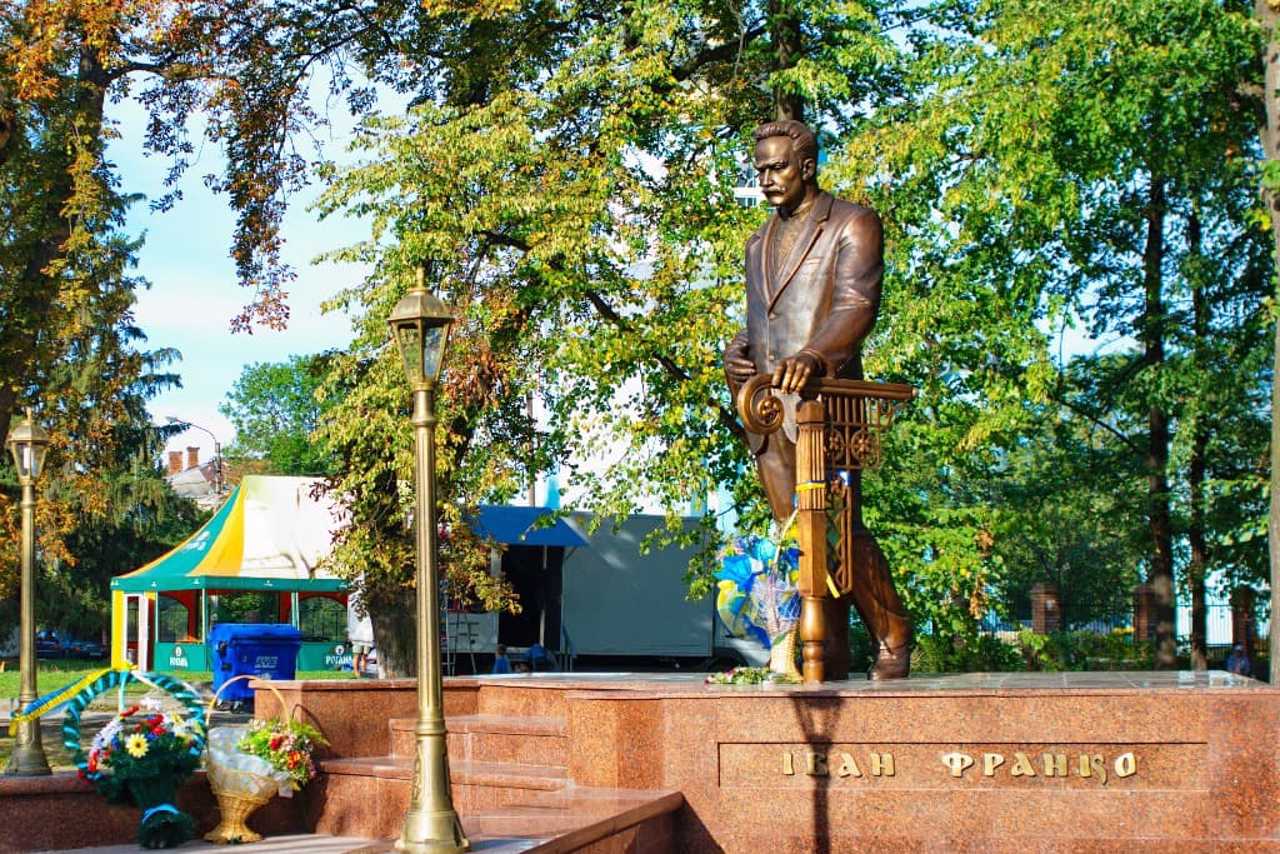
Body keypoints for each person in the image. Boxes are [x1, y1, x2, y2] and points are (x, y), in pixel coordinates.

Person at [723, 119, 912, 680]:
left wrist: (816, 357)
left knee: (836, 527)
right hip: (765, 408)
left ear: (807, 167)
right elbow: (763, 320)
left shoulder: (852, 223)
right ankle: (824, 647)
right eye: (759, 169)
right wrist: (738, 351)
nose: (766, 178)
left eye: (776, 166)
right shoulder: (759, 242)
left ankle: (893, 629)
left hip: (824, 405)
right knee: (795, 539)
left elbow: (855, 306)